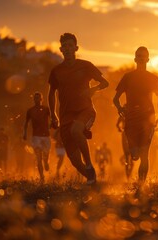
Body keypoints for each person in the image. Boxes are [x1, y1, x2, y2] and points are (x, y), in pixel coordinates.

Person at [48, 33, 109, 185]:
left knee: (76, 130)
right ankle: (91, 178)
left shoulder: (86, 66)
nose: (67, 49)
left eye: (70, 45)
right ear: (61, 49)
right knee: (75, 161)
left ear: (76, 48)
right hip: (65, 115)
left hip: (85, 110)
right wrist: (53, 115)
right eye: (64, 46)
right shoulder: (56, 71)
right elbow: (51, 93)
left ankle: (89, 164)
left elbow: (105, 83)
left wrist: (93, 90)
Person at [113, 46, 158, 185]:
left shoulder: (153, 78)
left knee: (144, 154)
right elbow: (115, 99)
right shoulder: (128, 77)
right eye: (139, 56)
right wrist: (120, 109)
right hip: (131, 118)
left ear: (148, 59)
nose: (141, 58)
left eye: (144, 56)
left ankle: (141, 186)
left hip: (148, 117)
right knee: (134, 154)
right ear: (135, 59)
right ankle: (133, 164)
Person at [23, 92, 51, 181]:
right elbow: (26, 122)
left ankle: (46, 162)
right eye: (35, 98)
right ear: (33, 99)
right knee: (38, 157)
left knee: (46, 155)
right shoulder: (30, 110)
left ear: (41, 99)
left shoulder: (46, 109)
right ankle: (42, 176)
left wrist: (53, 124)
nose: (37, 100)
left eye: (38, 98)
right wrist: (24, 133)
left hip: (46, 135)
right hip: (36, 136)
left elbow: (53, 118)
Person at [116, 113, 133, 179]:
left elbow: (117, 125)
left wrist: (120, 129)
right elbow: (117, 124)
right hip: (127, 135)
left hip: (130, 135)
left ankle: (129, 174)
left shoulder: (130, 113)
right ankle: (128, 175)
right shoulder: (123, 115)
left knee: (130, 157)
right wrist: (120, 129)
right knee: (128, 156)